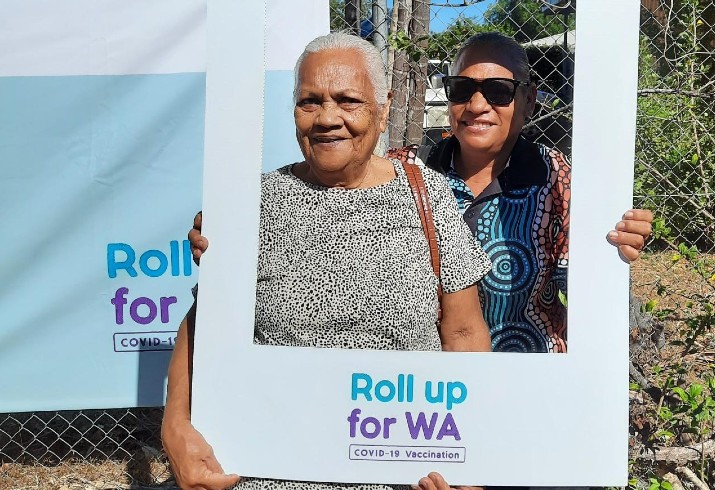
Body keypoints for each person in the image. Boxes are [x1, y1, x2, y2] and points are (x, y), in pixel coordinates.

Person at [162, 32, 491, 490]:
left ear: (384, 106)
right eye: (309, 101)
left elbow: (462, 333)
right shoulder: (254, 202)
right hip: (268, 473)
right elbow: (203, 324)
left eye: (348, 100)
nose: (327, 118)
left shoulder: (427, 197)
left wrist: (473, 457)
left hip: (401, 473)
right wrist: (175, 424)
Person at [190, 32, 653, 354]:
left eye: (498, 91)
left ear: (529, 100)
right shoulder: (407, 172)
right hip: (424, 397)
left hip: (528, 381)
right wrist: (229, 236)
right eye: (461, 89)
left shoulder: (560, 179)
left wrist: (616, 249)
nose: (476, 104)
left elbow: (587, 285)